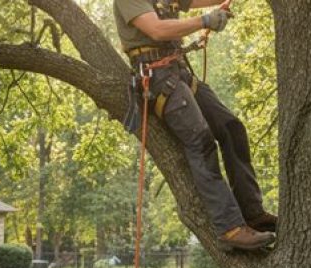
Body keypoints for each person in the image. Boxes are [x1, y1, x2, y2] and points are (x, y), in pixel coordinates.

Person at [114, 0, 278, 251]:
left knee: (232, 128)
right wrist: (204, 21)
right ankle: (230, 228)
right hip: (157, 77)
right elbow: (157, 30)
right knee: (200, 141)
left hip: (179, 72)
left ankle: (252, 212)